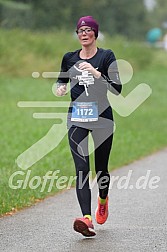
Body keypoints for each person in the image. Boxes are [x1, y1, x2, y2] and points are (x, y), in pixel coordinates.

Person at [56, 16, 122, 237]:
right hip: (77, 118)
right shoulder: (69, 58)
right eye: (80, 30)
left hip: (102, 118)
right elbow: (60, 81)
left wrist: (96, 74)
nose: (83, 33)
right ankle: (86, 219)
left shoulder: (106, 56)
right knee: (82, 169)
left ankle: (103, 200)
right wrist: (60, 89)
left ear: (95, 33)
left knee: (100, 169)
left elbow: (117, 89)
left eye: (87, 30)